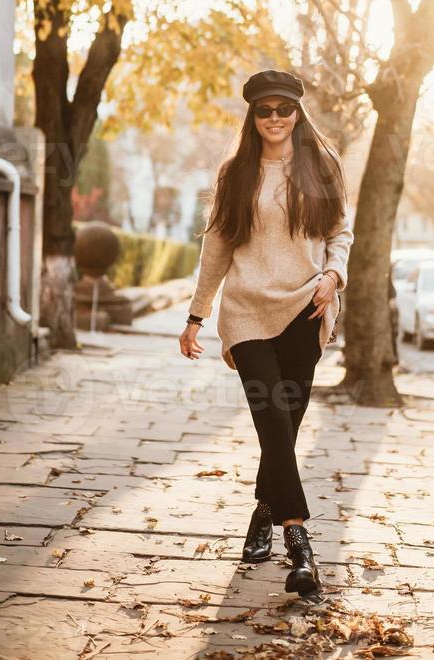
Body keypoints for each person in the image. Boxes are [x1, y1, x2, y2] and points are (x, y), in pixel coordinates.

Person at [179, 69, 354, 597]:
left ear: (297, 113)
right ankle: (299, 542)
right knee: (271, 414)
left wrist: (332, 275)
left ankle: (262, 512)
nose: (274, 118)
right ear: (251, 117)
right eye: (264, 110)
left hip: (306, 308)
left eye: (283, 109)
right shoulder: (236, 173)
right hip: (248, 311)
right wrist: (196, 315)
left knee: (285, 423)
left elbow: (339, 233)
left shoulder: (322, 167)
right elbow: (217, 248)